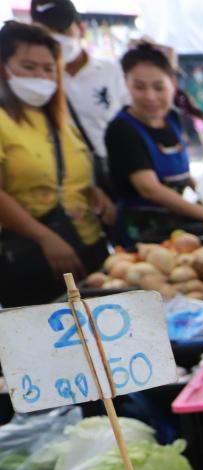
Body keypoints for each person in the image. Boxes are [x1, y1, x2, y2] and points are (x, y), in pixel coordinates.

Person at [0, 20, 113, 308]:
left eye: (49, 68)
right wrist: (44, 237)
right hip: (33, 260)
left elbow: (71, 177)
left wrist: (93, 194)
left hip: (86, 248)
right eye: (29, 66)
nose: (40, 75)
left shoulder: (60, 120)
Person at [104, 41, 203, 246]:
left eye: (159, 87)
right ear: (126, 84)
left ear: (173, 85)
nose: (150, 97)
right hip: (144, 236)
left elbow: (183, 176)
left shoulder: (172, 119)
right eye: (139, 87)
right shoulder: (122, 130)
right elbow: (150, 189)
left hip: (177, 229)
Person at [30, 0, 125, 184]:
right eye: (46, 33)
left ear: (80, 29)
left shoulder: (111, 71)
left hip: (113, 173)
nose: (55, 39)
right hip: (65, 182)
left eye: (61, 30)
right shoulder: (36, 80)